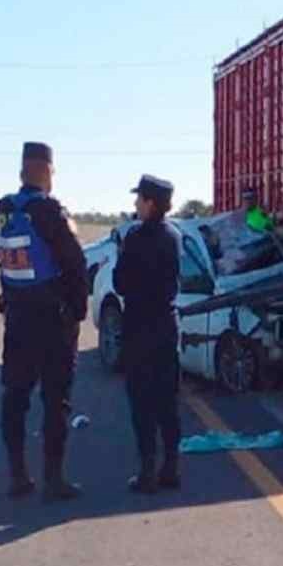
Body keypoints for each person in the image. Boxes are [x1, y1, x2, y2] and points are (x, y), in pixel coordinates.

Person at [0, 141, 88, 502]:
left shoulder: (2, 210)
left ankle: (17, 474)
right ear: (47, 171)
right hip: (52, 322)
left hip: (17, 317)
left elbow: (4, 259)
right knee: (55, 399)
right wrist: (77, 312)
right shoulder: (50, 211)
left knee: (15, 395)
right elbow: (75, 263)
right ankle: (53, 478)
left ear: (22, 172)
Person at [115, 174, 182, 494]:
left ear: (150, 203)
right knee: (167, 399)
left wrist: (120, 253)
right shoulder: (174, 236)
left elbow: (121, 283)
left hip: (140, 327)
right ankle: (171, 467)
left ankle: (147, 472)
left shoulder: (135, 238)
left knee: (141, 401)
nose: (135, 204)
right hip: (166, 325)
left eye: (139, 199)